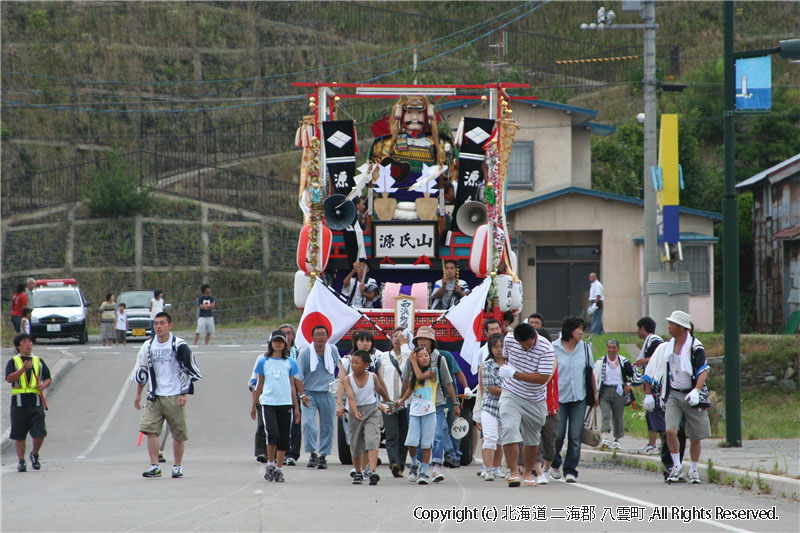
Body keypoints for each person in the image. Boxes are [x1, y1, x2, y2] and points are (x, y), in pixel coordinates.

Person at [133, 311, 202, 479]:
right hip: (155, 395)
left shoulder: (179, 345)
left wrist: (184, 393)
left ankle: (177, 466)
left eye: (162, 323)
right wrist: (138, 395)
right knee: (150, 429)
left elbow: (189, 369)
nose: (158, 326)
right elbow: (142, 371)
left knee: (178, 433)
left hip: (174, 394)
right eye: (156, 323)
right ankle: (154, 465)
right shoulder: (148, 346)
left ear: (170, 325)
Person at [644, 311, 710, 484]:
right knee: (671, 430)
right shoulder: (667, 347)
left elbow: (702, 370)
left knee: (695, 436)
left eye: (672, 324)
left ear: (681, 327)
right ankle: (676, 466)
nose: (668, 327)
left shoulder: (695, 347)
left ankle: (694, 469)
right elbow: (656, 368)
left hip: (691, 394)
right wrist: (649, 393)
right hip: (673, 393)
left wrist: (696, 390)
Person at [399, 326, 460, 483]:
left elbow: (448, 382)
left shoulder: (439, 360)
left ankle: (434, 467)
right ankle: (417, 464)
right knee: (414, 440)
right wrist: (401, 400)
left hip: (435, 404)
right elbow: (407, 382)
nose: (423, 341)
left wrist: (455, 402)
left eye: (426, 339)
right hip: (414, 405)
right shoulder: (411, 359)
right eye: (420, 339)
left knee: (436, 436)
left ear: (432, 342)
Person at [497, 323, 555, 487]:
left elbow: (543, 378)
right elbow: (505, 357)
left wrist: (514, 374)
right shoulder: (509, 339)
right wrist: (505, 369)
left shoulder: (546, 348)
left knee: (532, 438)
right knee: (508, 429)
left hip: (535, 398)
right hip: (511, 392)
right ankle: (514, 472)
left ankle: (528, 473)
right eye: (522, 345)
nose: (525, 347)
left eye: (528, 344)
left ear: (534, 336)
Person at [551, 316, 597, 483]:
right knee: (558, 434)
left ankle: (571, 470)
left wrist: (595, 394)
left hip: (579, 397)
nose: (582, 333)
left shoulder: (585, 348)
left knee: (575, 436)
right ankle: (554, 463)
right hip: (559, 398)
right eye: (579, 329)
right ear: (570, 330)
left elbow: (590, 372)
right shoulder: (553, 348)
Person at [250, 330, 301, 483]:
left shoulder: (290, 362)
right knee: (272, 434)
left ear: (286, 344)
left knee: (284, 437)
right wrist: (254, 404)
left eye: (281, 341)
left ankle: (279, 468)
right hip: (268, 403)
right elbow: (260, 384)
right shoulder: (263, 362)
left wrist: (296, 408)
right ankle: (270, 464)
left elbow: (292, 386)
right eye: (275, 341)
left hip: (285, 403)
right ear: (271, 344)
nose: (278, 344)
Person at [336, 330, 385, 478]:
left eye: (368, 341)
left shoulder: (377, 359)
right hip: (352, 407)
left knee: (372, 437)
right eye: (361, 340)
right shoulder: (347, 360)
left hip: (373, 406)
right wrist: (339, 403)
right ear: (355, 342)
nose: (365, 343)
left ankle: (368, 468)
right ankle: (359, 468)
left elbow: (381, 383)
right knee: (356, 440)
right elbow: (341, 384)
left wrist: (385, 401)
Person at [294, 325, 340, 470]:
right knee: (308, 423)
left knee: (328, 425)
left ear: (327, 337)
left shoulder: (333, 350)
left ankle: (323, 455)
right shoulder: (305, 352)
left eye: (323, 335)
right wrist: (302, 394)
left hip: (328, 393)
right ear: (312, 337)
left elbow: (340, 368)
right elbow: (298, 376)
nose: (320, 337)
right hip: (309, 393)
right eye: (317, 335)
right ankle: (312, 452)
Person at [6, 333, 51, 472]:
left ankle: (34, 454)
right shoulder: (13, 362)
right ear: (18, 346)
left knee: (40, 433)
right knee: (19, 434)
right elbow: (9, 379)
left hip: (35, 401)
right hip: (19, 403)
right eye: (24, 342)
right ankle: (21, 461)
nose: (27, 344)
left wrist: (43, 386)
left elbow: (48, 378)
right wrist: (23, 369)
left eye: (29, 342)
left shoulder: (38, 361)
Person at [344, 350, 390, 485]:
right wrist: (355, 411)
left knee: (372, 440)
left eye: (357, 363)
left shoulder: (373, 376)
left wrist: (388, 399)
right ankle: (358, 471)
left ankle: (372, 471)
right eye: (352, 362)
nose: (353, 365)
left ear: (366, 364)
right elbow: (351, 398)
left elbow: (379, 389)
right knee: (356, 443)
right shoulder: (348, 379)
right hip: (355, 412)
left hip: (372, 411)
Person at [395, 347, 439, 485]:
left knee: (426, 443)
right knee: (411, 441)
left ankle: (424, 471)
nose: (425, 357)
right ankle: (414, 463)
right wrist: (401, 400)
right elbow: (410, 388)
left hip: (429, 412)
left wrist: (413, 361)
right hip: (414, 412)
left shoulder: (433, 371)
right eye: (420, 356)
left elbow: (420, 377)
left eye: (426, 355)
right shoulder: (414, 373)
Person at [378, 327, 411, 478]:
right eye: (395, 336)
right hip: (389, 401)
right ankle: (394, 463)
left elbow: (408, 371)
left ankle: (401, 465)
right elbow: (379, 380)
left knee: (404, 435)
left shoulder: (410, 356)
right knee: (392, 434)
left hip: (405, 401)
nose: (397, 339)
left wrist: (405, 346)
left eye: (401, 336)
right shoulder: (384, 357)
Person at [474, 318, 504, 477]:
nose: (499, 350)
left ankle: (497, 467)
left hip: (507, 406)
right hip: (490, 406)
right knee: (490, 437)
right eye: (496, 347)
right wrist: (509, 389)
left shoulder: (511, 363)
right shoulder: (487, 365)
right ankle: (488, 468)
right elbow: (489, 388)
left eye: (502, 347)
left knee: (501, 440)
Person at [594, 339, 634, 450]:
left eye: (614, 347)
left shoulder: (623, 361)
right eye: (609, 347)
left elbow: (633, 375)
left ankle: (617, 439)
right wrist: (595, 393)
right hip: (604, 391)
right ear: (606, 348)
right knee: (605, 415)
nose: (611, 350)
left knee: (618, 416)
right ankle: (605, 437)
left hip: (618, 391)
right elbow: (595, 377)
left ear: (617, 349)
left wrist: (628, 384)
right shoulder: (601, 362)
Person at [634, 316, 664, 454]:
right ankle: (656, 444)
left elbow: (657, 359)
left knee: (655, 413)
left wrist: (642, 361)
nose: (638, 332)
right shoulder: (650, 341)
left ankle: (655, 444)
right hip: (652, 383)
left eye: (638, 329)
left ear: (643, 328)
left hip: (655, 384)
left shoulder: (654, 341)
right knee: (651, 413)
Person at [533, 327, 559, 485]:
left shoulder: (552, 358)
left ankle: (547, 469)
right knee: (535, 441)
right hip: (534, 406)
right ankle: (538, 472)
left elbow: (545, 378)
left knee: (550, 444)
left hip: (550, 406)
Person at [279, 323, 302, 466]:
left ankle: (292, 453)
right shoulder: (272, 353)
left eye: (289, 333)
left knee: (295, 423)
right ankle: (279, 452)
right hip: (278, 393)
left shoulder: (298, 352)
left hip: (295, 392)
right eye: (284, 333)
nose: (287, 336)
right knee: (280, 424)